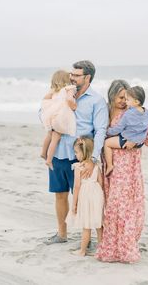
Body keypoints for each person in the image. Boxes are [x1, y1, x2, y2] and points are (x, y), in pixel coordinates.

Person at [44, 60, 108, 245]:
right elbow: (45, 111)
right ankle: (61, 234)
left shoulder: (97, 100)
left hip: (81, 157)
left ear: (87, 77)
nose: (71, 77)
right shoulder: (62, 93)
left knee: (81, 197)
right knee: (60, 194)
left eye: (76, 75)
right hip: (58, 152)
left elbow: (100, 131)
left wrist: (93, 159)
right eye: (71, 74)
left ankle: (84, 239)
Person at [95, 80, 148, 263]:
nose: (123, 101)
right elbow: (98, 133)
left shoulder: (131, 113)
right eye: (120, 97)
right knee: (112, 204)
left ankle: (125, 246)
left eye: (126, 98)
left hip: (129, 165)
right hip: (110, 164)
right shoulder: (104, 112)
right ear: (112, 95)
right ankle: (111, 245)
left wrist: (136, 141)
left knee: (125, 204)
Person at [104, 85, 148, 175]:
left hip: (126, 140)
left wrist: (107, 131)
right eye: (122, 98)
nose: (125, 101)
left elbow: (118, 129)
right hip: (139, 143)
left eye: (127, 99)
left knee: (107, 143)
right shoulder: (146, 112)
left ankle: (109, 165)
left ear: (136, 102)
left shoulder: (128, 114)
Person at [66, 136, 104, 256]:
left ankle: (82, 251)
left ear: (83, 152)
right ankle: (102, 250)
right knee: (99, 224)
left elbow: (76, 186)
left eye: (76, 152)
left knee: (86, 225)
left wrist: (74, 203)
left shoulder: (78, 167)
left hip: (85, 195)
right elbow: (101, 183)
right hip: (97, 194)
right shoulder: (96, 165)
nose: (75, 155)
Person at [40, 70, 77, 170]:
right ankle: (48, 160)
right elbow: (69, 99)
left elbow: (45, 100)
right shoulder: (69, 88)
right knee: (56, 138)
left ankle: (43, 153)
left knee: (49, 134)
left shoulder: (54, 92)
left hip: (51, 116)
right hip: (60, 118)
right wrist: (73, 106)